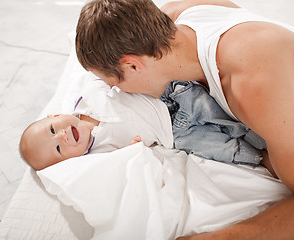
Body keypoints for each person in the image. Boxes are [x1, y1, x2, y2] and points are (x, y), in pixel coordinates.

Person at [75, 0, 294, 239]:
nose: (120, 92)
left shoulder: (254, 88)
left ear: (132, 65)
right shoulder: (176, 14)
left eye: (115, 84)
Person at [19, 78, 174, 170]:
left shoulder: (85, 99)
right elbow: (122, 162)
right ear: (68, 162)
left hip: (162, 92)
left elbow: (104, 78)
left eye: (52, 130)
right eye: (58, 148)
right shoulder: (98, 153)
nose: (62, 136)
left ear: (56, 115)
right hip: (173, 129)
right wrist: (131, 149)